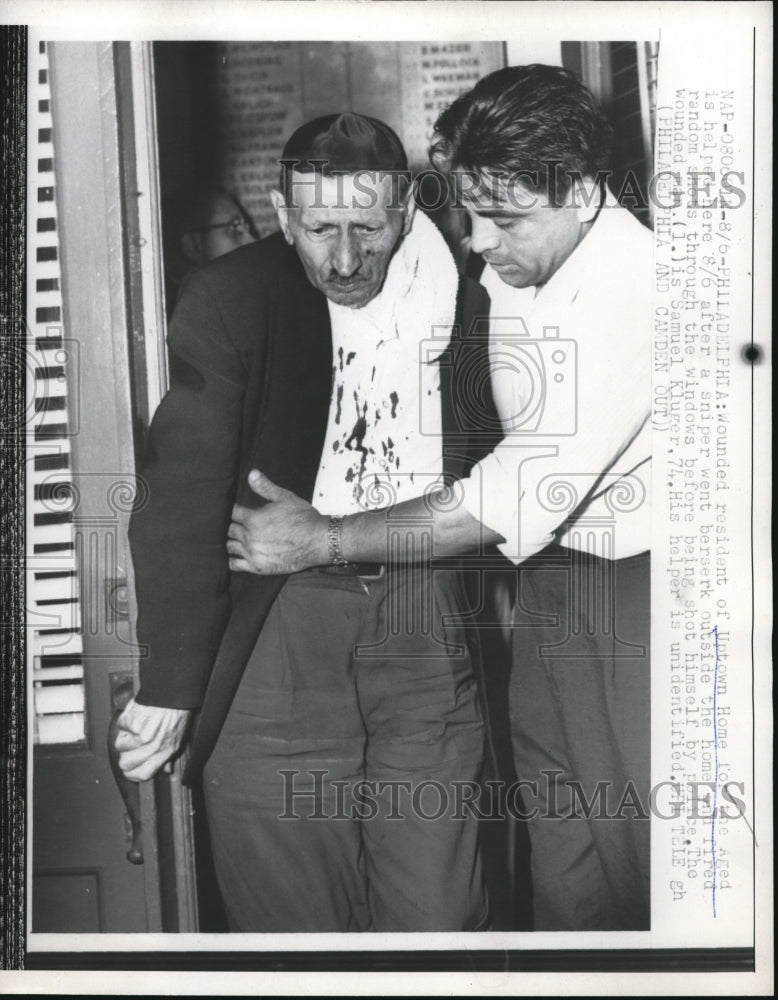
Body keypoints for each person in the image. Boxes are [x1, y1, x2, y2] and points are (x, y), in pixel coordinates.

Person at [227, 66, 653, 931]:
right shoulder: (518, 252)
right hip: (549, 590)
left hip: (639, 601)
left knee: (640, 864)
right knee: (566, 868)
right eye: (468, 211)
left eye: (503, 218)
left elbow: (486, 506)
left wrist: (320, 541)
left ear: (581, 190)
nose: (482, 242)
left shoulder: (638, 297)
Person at [116, 112, 496, 933]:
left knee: (442, 915)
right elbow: (180, 491)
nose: (346, 258)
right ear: (284, 217)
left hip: (423, 620)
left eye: (367, 227)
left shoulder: (472, 286)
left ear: (405, 211)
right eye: (320, 228)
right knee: (296, 923)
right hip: (277, 627)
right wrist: (170, 682)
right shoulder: (229, 299)